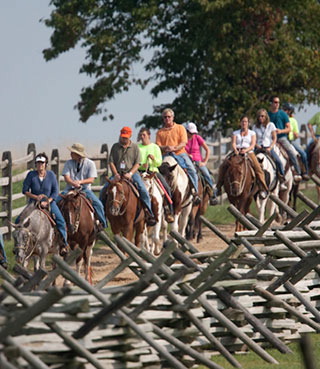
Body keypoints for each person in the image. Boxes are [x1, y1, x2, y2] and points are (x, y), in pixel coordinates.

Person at [101, 126, 156, 226]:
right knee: (104, 190)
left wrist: (130, 174)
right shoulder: (115, 147)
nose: (124, 139)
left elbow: (138, 163)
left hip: (132, 173)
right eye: (122, 137)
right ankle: (101, 215)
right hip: (118, 174)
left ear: (130, 136)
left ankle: (149, 213)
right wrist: (115, 174)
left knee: (142, 189)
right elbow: (111, 162)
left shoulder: (135, 147)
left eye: (126, 137)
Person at [21, 152, 68, 256]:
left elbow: (55, 191)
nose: (40, 165)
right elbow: (25, 190)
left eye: (42, 163)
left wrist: (47, 201)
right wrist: (35, 197)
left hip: (49, 203)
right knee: (19, 220)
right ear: (35, 164)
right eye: (38, 163)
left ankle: (63, 243)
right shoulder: (31, 175)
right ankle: (20, 246)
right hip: (33, 203)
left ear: (46, 164)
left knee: (60, 220)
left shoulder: (51, 175)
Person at [216, 115, 269, 199]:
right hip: (236, 151)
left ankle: (263, 188)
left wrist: (246, 150)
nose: (244, 123)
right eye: (243, 121)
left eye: (246, 122)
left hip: (249, 152)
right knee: (224, 165)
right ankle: (218, 187)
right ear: (240, 123)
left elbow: (252, 144)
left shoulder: (252, 133)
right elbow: (233, 143)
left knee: (258, 168)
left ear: (248, 123)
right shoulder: (235, 133)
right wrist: (235, 150)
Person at [57, 143, 107, 231]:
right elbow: (66, 177)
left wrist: (80, 182)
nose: (71, 154)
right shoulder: (68, 163)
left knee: (98, 204)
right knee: (57, 201)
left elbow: (91, 179)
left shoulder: (90, 164)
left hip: (84, 189)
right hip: (70, 188)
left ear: (78, 154)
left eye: (72, 152)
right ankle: (55, 224)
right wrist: (73, 183)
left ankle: (102, 224)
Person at [156, 108, 201, 204]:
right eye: (165, 117)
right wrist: (166, 147)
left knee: (191, 169)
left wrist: (175, 148)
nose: (167, 119)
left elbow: (184, 142)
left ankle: (195, 192)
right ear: (163, 119)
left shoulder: (180, 128)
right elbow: (158, 146)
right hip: (165, 154)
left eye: (169, 117)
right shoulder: (160, 132)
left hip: (180, 153)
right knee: (156, 170)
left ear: (173, 117)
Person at [137, 127, 175, 223]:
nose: (142, 137)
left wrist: (153, 159)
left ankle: (168, 211)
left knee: (166, 187)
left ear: (149, 136)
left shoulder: (155, 147)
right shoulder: (137, 147)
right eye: (141, 135)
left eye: (144, 135)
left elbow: (159, 162)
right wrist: (141, 165)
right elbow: (135, 162)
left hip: (153, 172)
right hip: (140, 172)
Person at [268, 96, 302, 182]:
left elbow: (289, 128)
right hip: (270, 139)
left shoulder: (283, 114)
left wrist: (281, 131)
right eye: (275, 102)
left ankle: (297, 172)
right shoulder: (267, 115)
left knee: (292, 152)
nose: (277, 104)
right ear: (271, 103)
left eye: (278, 102)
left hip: (281, 138)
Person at [252, 108, 287, 191]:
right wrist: (257, 146)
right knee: (249, 161)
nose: (261, 118)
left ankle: (282, 180)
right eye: (259, 116)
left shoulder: (271, 125)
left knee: (278, 161)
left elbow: (274, 138)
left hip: (268, 147)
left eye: (262, 116)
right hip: (259, 148)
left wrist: (270, 147)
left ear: (266, 117)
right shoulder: (255, 127)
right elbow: (253, 140)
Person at [185, 122, 218, 205]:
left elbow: (207, 149)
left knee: (206, 174)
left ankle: (213, 194)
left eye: (194, 133)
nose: (192, 134)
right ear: (187, 132)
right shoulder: (183, 139)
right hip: (187, 162)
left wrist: (204, 162)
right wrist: (187, 155)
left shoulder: (197, 138)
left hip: (198, 161)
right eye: (190, 133)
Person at [283, 103, 309, 180]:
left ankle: (305, 172)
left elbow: (296, 134)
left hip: (291, 141)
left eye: (287, 110)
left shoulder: (293, 121)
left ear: (290, 111)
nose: (286, 111)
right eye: (285, 110)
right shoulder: (281, 119)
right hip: (282, 140)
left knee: (303, 154)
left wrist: (295, 134)